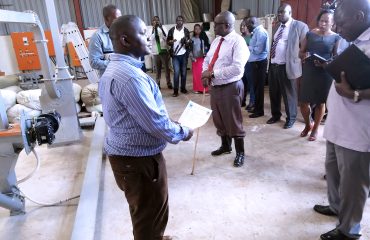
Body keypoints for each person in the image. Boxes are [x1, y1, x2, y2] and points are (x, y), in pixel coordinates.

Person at [98, 15, 193, 240]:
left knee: (142, 210)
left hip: (126, 156)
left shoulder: (113, 70)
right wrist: (183, 131)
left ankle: (155, 236)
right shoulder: (130, 78)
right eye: (142, 32)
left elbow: (144, 117)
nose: (149, 37)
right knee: (149, 213)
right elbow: (156, 124)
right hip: (139, 161)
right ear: (125, 40)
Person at [312, 0, 370, 239]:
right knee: (333, 171)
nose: (337, 29)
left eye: (341, 23)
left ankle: (349, 230)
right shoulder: (355, 38)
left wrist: (354, 94)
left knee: (353, 184)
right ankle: (337, 208)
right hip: (338, 123)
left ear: (358, 16)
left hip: (358, 130)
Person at [202, 11, 250, 167]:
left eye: (217, 25)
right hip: (216, 86)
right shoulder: (217, 41)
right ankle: (225, 146)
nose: (214, 27)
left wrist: (213, 73)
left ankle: (240, 153)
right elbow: (208, 59)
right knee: (219, 119)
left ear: (228, 25)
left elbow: (237, 68)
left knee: (233, 120)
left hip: (230, 86)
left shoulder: (238, 42)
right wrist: (205, 73)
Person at [298, 9, 340, 141]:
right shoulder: (310, 34)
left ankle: (315, 129)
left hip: (325, 73)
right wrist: (303, 56)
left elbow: (336, 57)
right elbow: (301, 52)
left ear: (332, 23)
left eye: (326, 21)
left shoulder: (335, 37)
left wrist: (327, 63)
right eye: (321, 21)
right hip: (309, 70)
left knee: (321, 102)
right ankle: (307, 125)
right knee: (303, 102)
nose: (323, 24)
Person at [267, 3, 309, 129]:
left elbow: (305, 47)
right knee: (273, 92)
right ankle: (275, 115)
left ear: (290, 13)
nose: (279, 14)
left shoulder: (300, 26)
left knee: (289, 94)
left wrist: (300, 58)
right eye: (278, 12)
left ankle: (291, 118)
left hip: (288, 66)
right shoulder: (277, 26)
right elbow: (275, 42)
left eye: (282, 12)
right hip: (274, 64)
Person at [245, 17, 269, 118]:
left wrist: (247, 47)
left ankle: (259, 111)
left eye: (248, 25)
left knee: (259, 89)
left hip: (259, 63)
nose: (247, 27)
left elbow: (258, 50)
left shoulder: (261, 32)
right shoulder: (256, 32)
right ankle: (257, 108)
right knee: (255, 88)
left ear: (253, 22)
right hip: (255, 63)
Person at [88, 4, 121, 77]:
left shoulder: (123, 33)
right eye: (116, 19)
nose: (119, 21)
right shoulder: (97, 37)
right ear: (106, 19)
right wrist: (115, 63)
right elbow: (94, 62)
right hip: (109, 79)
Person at [167, 16, 191, 97]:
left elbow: (188, 43)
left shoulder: (186, 31)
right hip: (175, 55)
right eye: (178, 20)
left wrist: (186, 42)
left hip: (184, 54)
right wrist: (171, 41)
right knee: (176, 73)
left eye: (181, 20)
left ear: (183, 21)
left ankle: (183, 88)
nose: (179, 22)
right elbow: (168, 41)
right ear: (176, 21)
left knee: (184, 73)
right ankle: (175, 90)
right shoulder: (172, 30)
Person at [149, 16, 173, 89]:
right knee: (157, 69)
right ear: (152, 22)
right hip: (155, 52)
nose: (156, 22)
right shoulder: (150, 29)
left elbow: (167, 38)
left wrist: (161, 28)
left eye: (157, 20)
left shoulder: (163, 28)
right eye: (154, 20)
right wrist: (153, 29)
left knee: (166, 68)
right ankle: (158, 83)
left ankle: (168, 83)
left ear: (159, 21)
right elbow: (149, 38)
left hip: (163, 50)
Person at [190, 24, 210, 93]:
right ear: (194, 30)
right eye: (196, 29)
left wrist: (206, 51)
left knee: (202, 74)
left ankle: (204, 88)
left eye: (199, 29)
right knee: (196, 75)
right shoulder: (192, 39)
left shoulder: (203, 38)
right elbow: (190, 49)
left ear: (201, 30)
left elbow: (207, 47)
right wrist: (192, 57)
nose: (197, 30)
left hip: (202, 59)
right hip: (195, 59)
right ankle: (197, 89)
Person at [240, 18, 255, 111]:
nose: (242, 27)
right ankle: (242, 100)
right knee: (242, 83)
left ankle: (252, 102)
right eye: (241, 26)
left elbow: (253, 49)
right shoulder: (240, 37)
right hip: (242, 63)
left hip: (250, 62)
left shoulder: (253, 36)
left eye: (244, 26)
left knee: (251, 84)